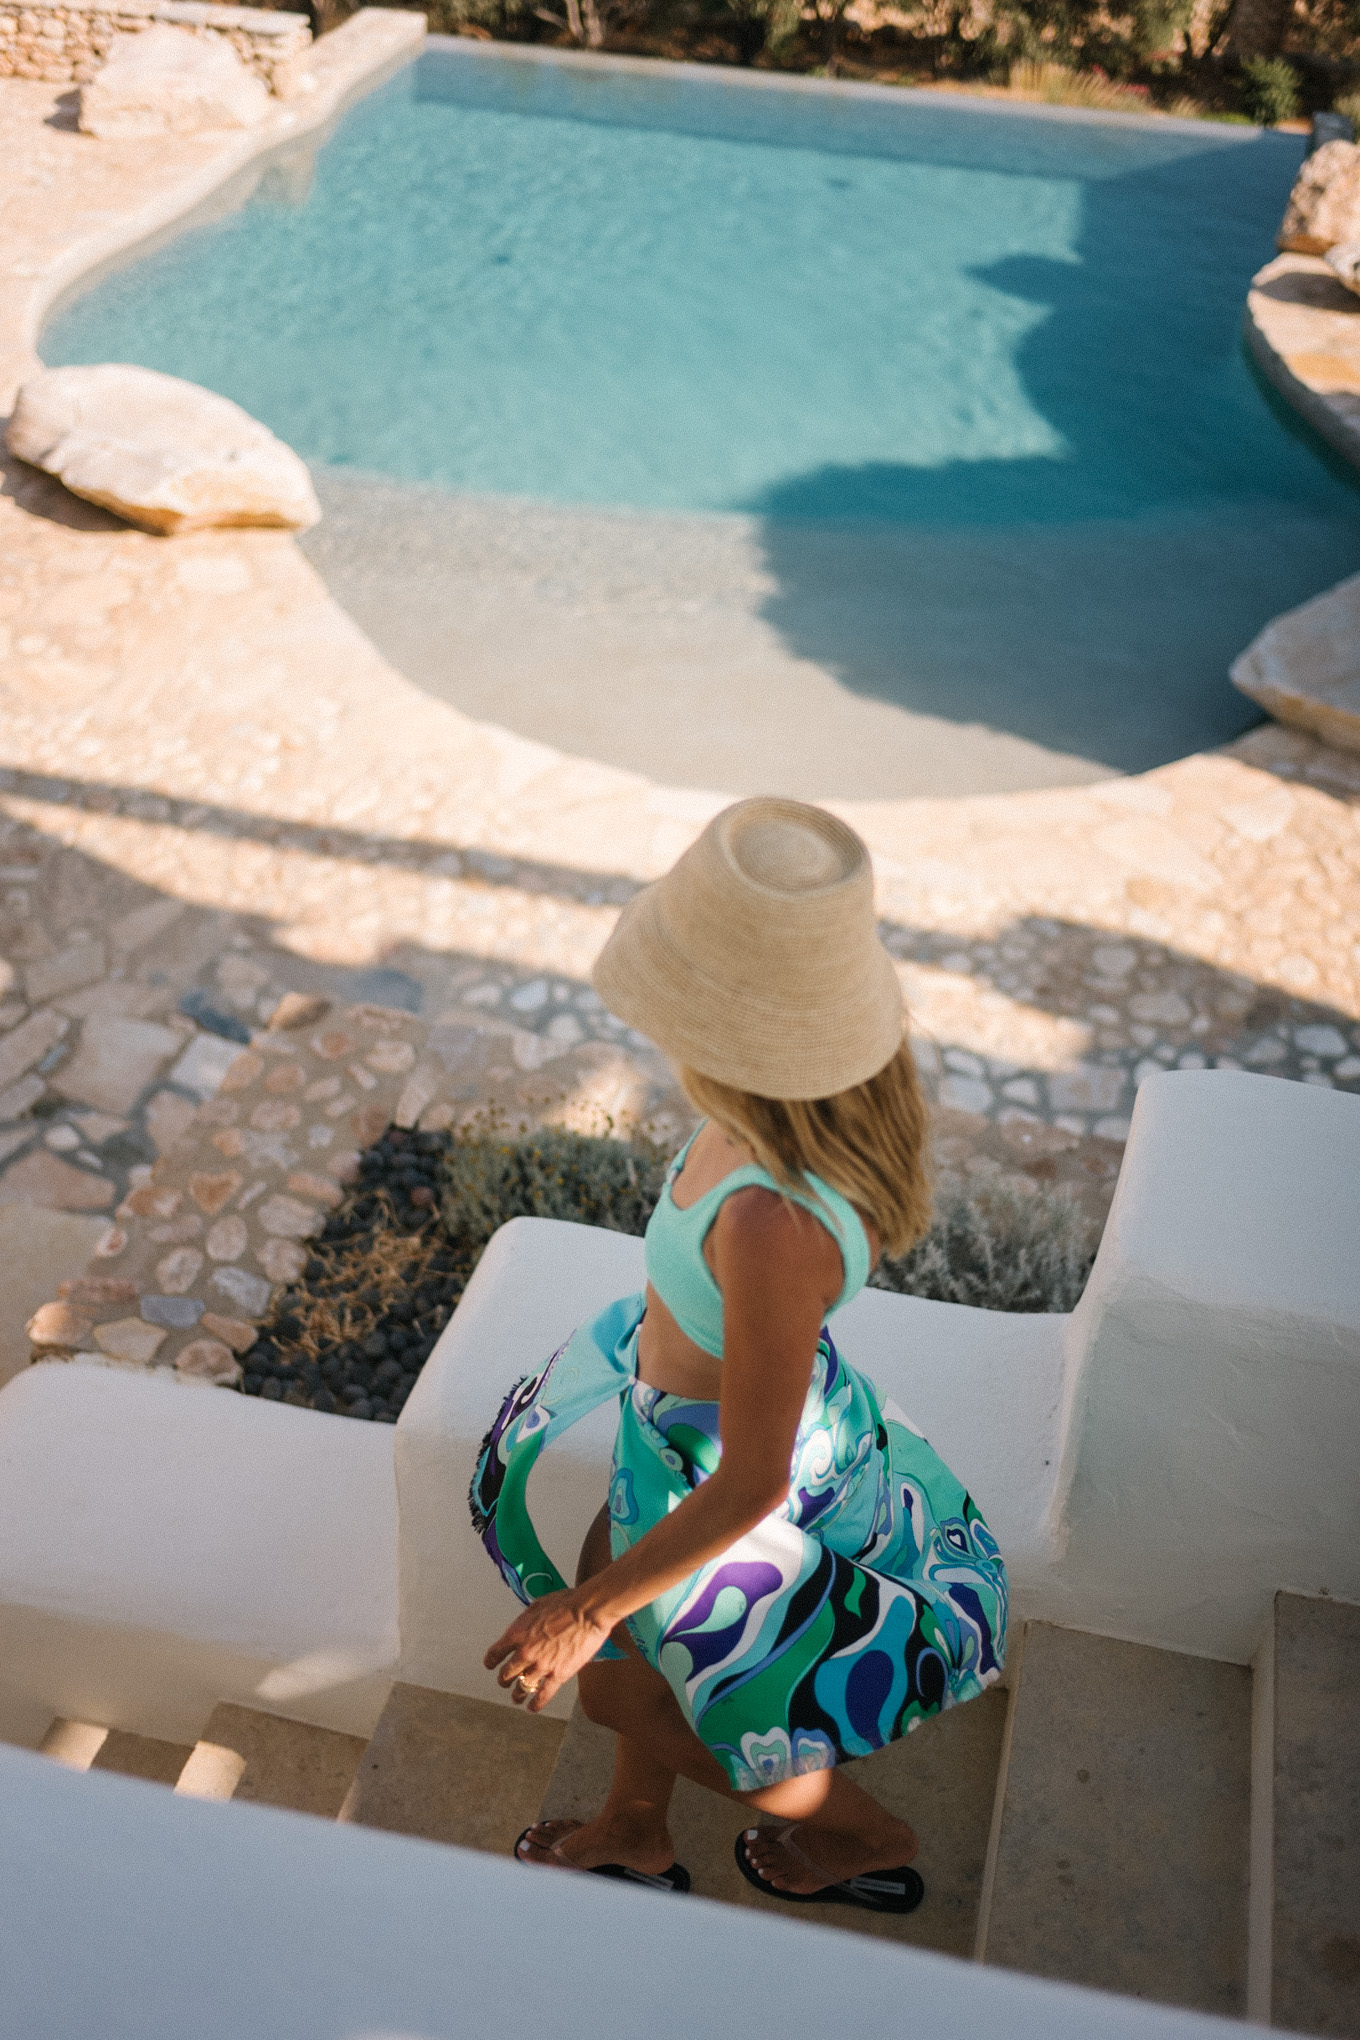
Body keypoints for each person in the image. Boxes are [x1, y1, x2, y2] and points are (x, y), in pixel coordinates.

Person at [470, 797, 1007, 1911]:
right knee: (613, 1609)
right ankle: (631, 1825)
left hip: (723, 1467)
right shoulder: (775, 1118)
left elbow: (752, 1481)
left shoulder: (772, 1219)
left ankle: (863, 1831)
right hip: (672, 1437)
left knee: (630, 1692)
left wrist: (588, 1615)